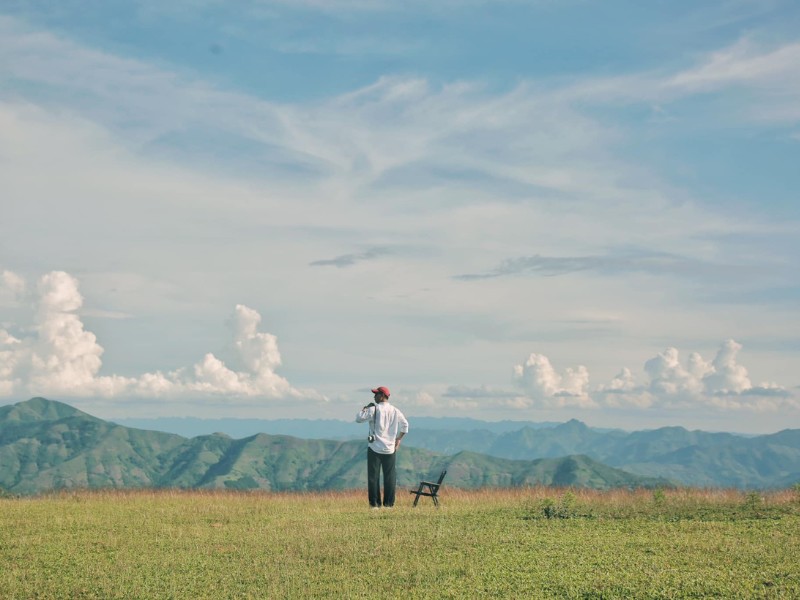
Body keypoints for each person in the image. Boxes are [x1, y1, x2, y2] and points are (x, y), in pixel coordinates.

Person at [355, 386, 409, 508]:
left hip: (374, 448)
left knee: (373, 477)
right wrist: (398, 439)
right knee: (390, 477)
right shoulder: (395, 410)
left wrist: (365, 408)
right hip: (390, 449)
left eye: (376, 394)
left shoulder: (373, 409)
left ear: (382, 396)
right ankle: (389, 504)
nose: (374, 396)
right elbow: (405, 425)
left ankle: (375, 504)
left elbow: (358, 419)